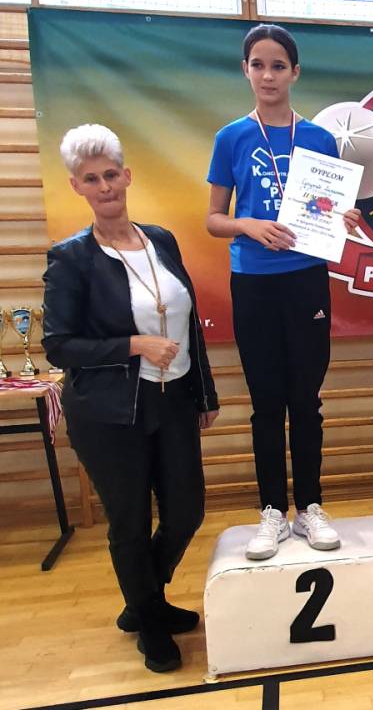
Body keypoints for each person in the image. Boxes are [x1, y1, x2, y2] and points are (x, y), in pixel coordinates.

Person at [42, 124, 219, 674]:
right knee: (130, 523)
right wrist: (134, 346)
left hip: (175, 400)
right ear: (77, 187)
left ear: (127, 176)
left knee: (186, 512)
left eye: (111, 175)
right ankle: (150, 620)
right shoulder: (71, 258)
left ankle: (143, 600)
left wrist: (204, 392)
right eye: (91, 179)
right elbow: (58, 345)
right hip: (109, 411)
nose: (105, 187)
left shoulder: (161, 240)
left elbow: (188, 323)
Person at [206, 24, 360, 562]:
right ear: (245, 71)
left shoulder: (318, 139)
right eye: (258, 65)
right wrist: (246, 225)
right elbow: (213, 219)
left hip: (306, 279)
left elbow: (332, 209)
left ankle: (311, 506)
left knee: (306, 401)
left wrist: (345, 217)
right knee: (266, 403)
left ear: (295, 72)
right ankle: (272, 510)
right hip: (253, 281)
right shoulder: (231, 137)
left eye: (277, 66)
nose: (267, 75)